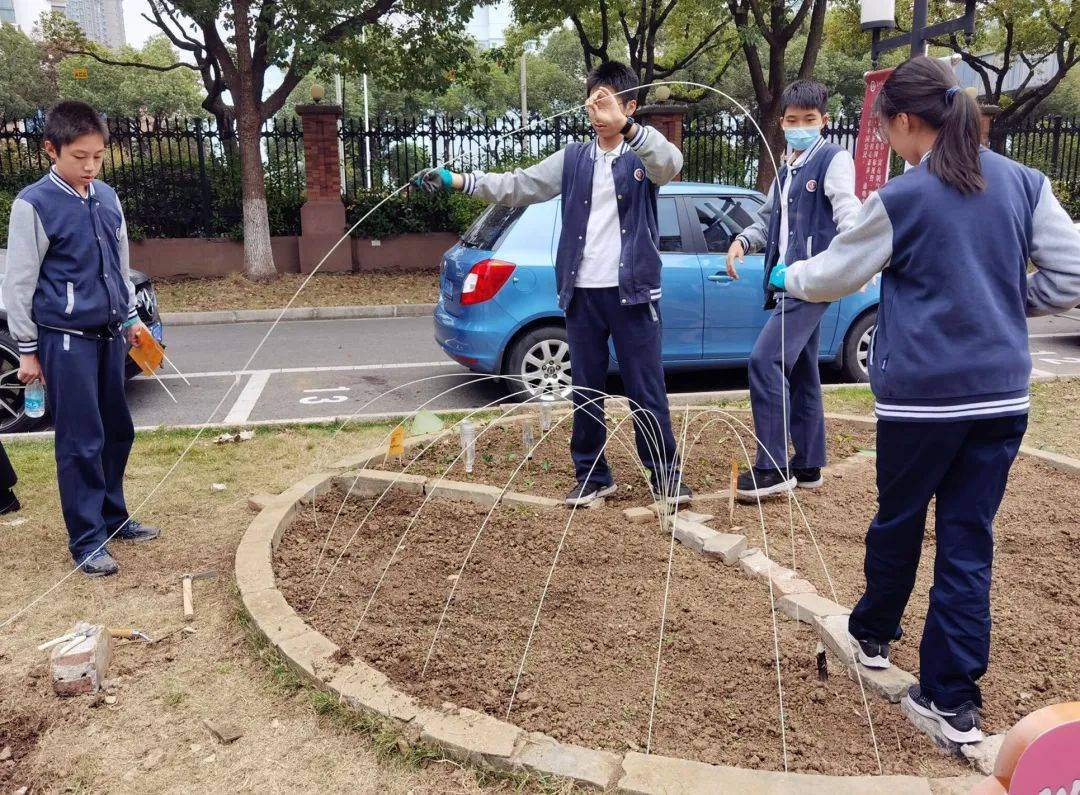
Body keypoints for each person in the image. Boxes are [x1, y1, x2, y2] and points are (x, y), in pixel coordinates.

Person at [770, 56, 1080, 744]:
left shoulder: (904, 198)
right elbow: (1072, 272)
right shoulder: (1027, 185)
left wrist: (790, 272)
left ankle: (874, 632)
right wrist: (1007, 299)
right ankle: (953, 699)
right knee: (969, 542)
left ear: (907, 123)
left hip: (921, 405)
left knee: (899, 520)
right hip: (1001, 400)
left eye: (888, 129)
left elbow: (833, 275)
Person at [418, 61, 692, 508]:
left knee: (645, 389)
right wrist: (459, 180)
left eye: (606, 100)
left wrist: (626, 127)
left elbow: (671, 164)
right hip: (581, 294)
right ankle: (593, 476)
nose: (596, 109)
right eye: (593, 100)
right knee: (585, 390)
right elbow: (518, 185)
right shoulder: (574, 158)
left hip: (633, 295)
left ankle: (665, 477)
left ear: (629, 105)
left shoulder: (642, 157)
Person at [3, 101, 163, 577]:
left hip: (111, 334)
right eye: (79, 156)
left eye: (98, 156)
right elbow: (20, 283)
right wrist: (28, 350)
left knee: (118, 429)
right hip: (64, 339)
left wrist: (132, 318)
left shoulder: (107, 198)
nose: (90, 166)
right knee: (80, 440)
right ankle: (87, 539)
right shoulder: (33, 204)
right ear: (51, 149)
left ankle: (114, 519)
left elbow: (118, 264)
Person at [725, 79, 862, 500]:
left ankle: (772, 467)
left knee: (765, 361)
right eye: (792, 119)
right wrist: (742, 242)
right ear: (781, 122)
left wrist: (861, 254)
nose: (799, 125)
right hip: (787, 282)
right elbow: (769, 220)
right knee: (802, 371)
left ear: (824, 121)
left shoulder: (834, 160)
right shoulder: (787, 169)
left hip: (811, 283)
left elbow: (848, 213)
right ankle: (807, 464)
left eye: (809, 119)